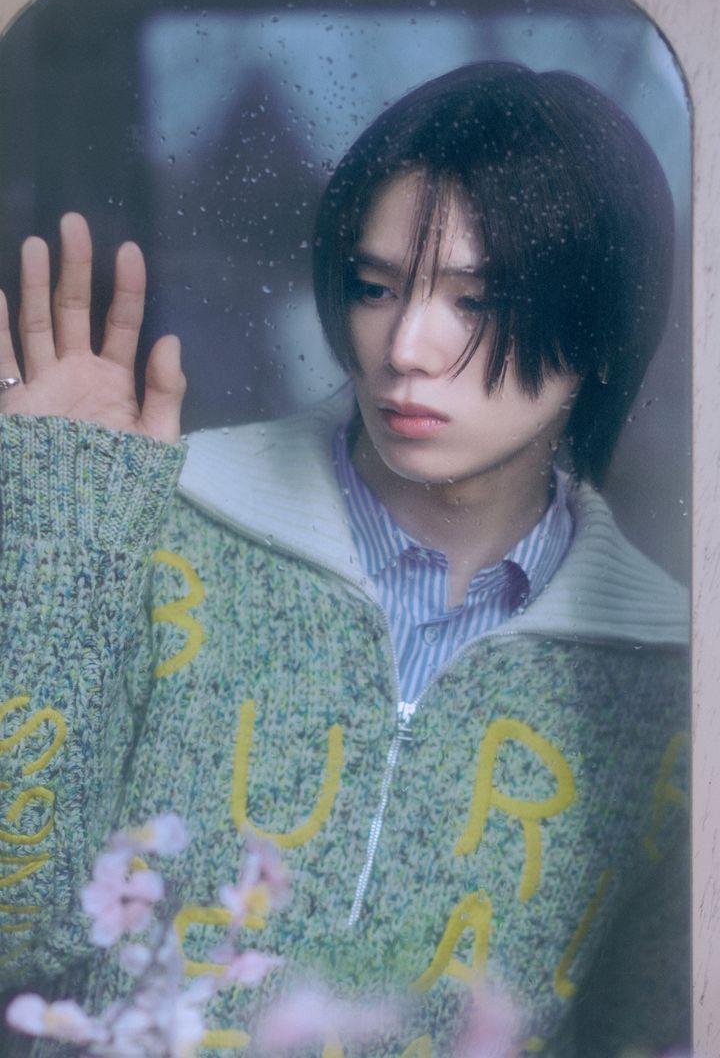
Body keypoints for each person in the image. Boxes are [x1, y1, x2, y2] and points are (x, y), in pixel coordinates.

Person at [0, 62, 689, 1056]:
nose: (405, 346)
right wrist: (55, 531)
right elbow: (15, 931)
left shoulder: (671, 678)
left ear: (600, 327)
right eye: (375, 287)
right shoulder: (162, 514)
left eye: (476, 302)